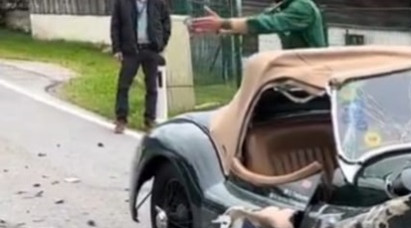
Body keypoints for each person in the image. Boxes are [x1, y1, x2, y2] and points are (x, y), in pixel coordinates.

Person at [110, 0, 171, 133]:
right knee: (123, 85)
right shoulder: (122, 3)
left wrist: (161, 44)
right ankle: (121, 119)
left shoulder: (158, 3)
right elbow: (116, 25)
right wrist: (117, 49)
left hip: (151, 49)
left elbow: (166, 23)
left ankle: (149, 120)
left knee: (152, 87)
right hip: (131, 50)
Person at [187, 0, 327, 50]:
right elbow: (258, 22)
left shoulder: (303, 6)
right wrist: (221, 28)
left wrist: (224, 23)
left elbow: (267, 23)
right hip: (297, 68)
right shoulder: (281, 7)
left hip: (313, 71)